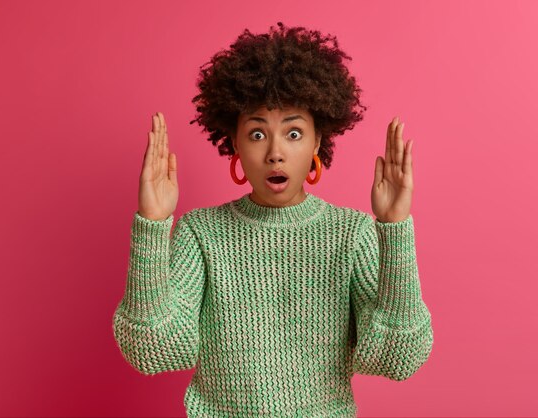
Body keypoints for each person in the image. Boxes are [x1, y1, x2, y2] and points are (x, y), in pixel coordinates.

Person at [112, 22, 433, 418]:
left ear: (318, 139)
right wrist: (152, 225)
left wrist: (395, 229)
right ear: (234, 142)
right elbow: (153, 349)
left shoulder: (352, 234)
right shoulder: (201, 233)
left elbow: (399, 356)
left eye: (294, 133)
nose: (276, 153)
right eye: (258, 134)